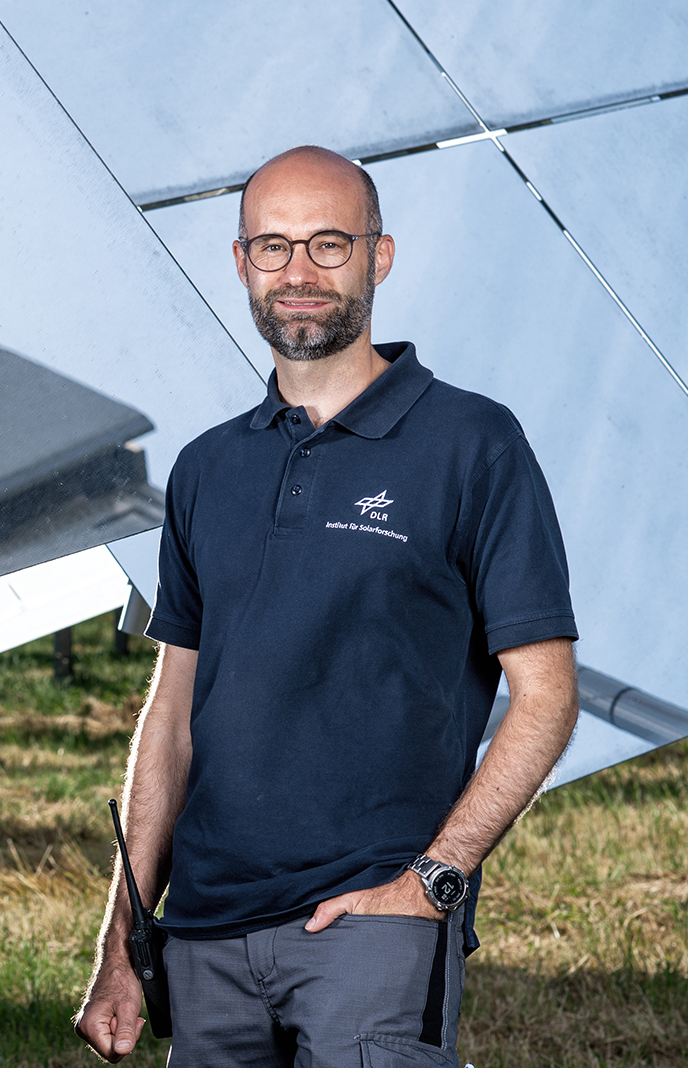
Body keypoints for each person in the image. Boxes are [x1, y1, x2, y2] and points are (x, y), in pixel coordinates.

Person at [75, 146, 581, 1066]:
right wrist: (124, 942)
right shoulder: (206, 468)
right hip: (204, 938)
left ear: (378, 257)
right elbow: (173, 721)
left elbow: (546, 696)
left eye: (328, 244)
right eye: (272, 247)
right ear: (240, 265)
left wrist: (434, 880)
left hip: (371, 923)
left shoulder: (472, 442)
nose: (298, 273)